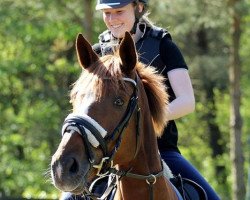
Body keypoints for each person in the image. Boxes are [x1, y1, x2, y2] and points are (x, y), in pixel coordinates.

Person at [62, 0, 221, 199]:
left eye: (119, 11)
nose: (112, 19)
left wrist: (142, 118)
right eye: (107, 13)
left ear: (138, 7)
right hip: (105, 154)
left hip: (160, 149)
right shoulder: (97, 53)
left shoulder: (164, 46)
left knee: (211, 197)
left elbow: (187, 101)